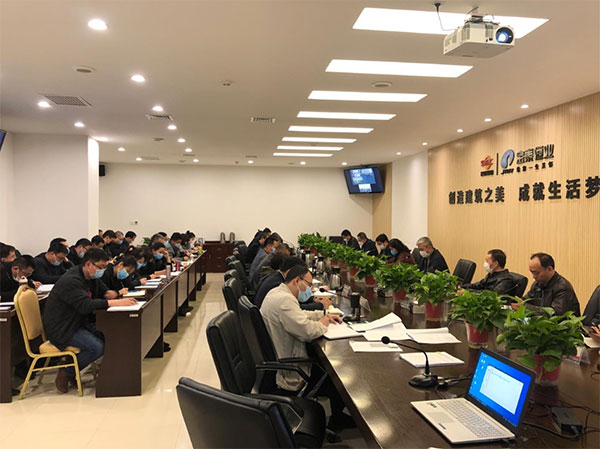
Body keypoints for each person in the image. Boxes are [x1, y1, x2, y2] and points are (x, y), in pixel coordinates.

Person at [260, 263, 353, 431]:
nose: (310, 289)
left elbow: (299, 315)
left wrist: (324, 314)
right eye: (309, 285)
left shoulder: (277, 293)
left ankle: (338, 416)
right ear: (297, 281)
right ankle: (338, 418)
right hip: (292, 369)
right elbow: (308, 331)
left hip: (281, 357)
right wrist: (323, 322)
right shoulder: (285, 300)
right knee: (336, 372)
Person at [42, 248, 136, 393]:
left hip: (78, 322)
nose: (102, 271)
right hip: (63, 328)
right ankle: (67, 371)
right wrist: (114, 302)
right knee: (97, 347)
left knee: (112, 336)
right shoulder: (71, 280)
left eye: (105, 267)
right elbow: (85, 305)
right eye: (100, 267)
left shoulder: (91, 277)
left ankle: (112, 373)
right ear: (88, 264)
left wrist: (111, 294)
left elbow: (104, 292)